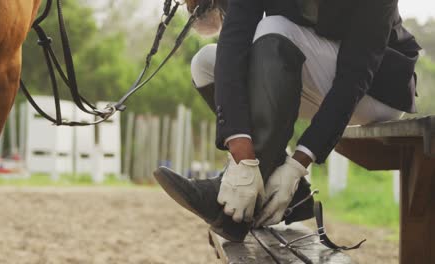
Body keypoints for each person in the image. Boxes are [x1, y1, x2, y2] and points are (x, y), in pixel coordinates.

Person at [154, 0, 421, 242]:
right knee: (206, 63)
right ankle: (285, 193)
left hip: (375, 92)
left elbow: (354, 77)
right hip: (309, 75)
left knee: (275, 28)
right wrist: (241, 153)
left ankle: (229, 214)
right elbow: (234, 42)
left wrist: (298, 165)